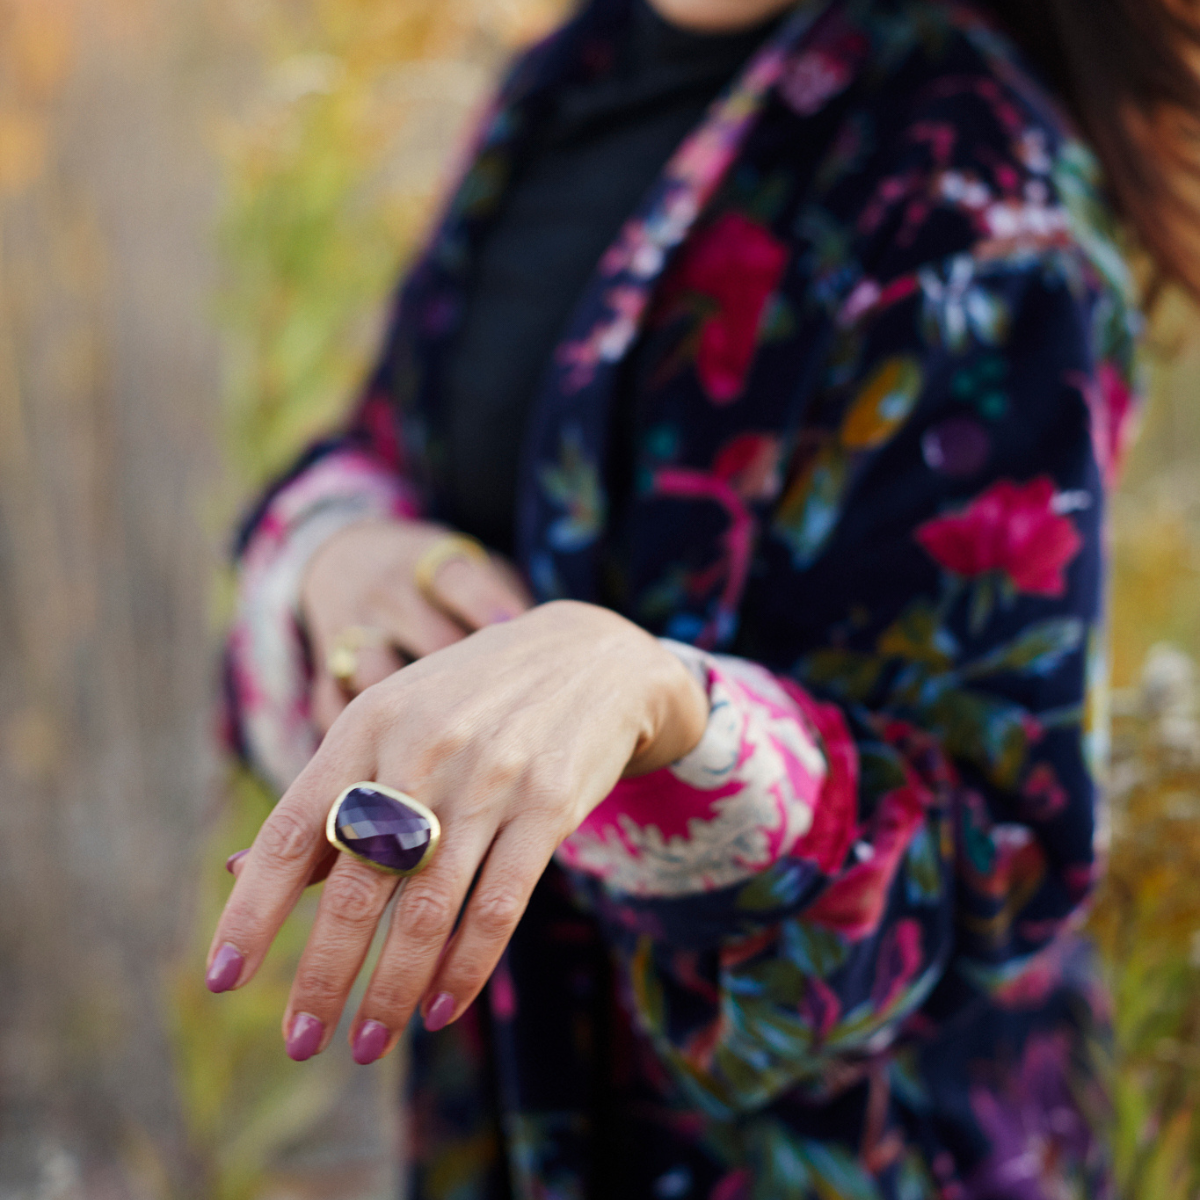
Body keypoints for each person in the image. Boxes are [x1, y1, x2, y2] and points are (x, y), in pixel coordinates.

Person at [209, 0, 1200, 1195]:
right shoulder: (571, 73)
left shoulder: (977, 184)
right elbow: (395, 443)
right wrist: (336, 553)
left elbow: (991, 861)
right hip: (508, 1118)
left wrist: (672, 713)